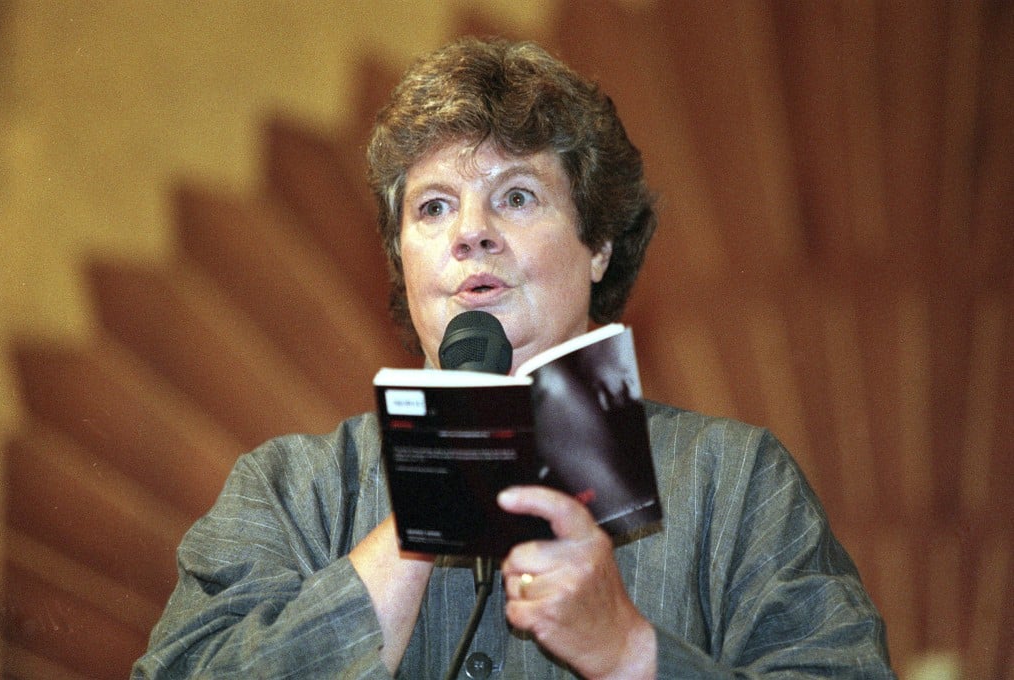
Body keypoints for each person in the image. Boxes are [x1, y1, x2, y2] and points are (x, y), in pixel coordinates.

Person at [132, 37, 894, 678]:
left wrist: (630, 650)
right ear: (403, 261)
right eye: (433, 207)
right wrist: (419, 519)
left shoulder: (735, 481)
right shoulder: (287, 491)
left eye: (517, 196)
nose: (471, 232)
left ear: (597, 244)